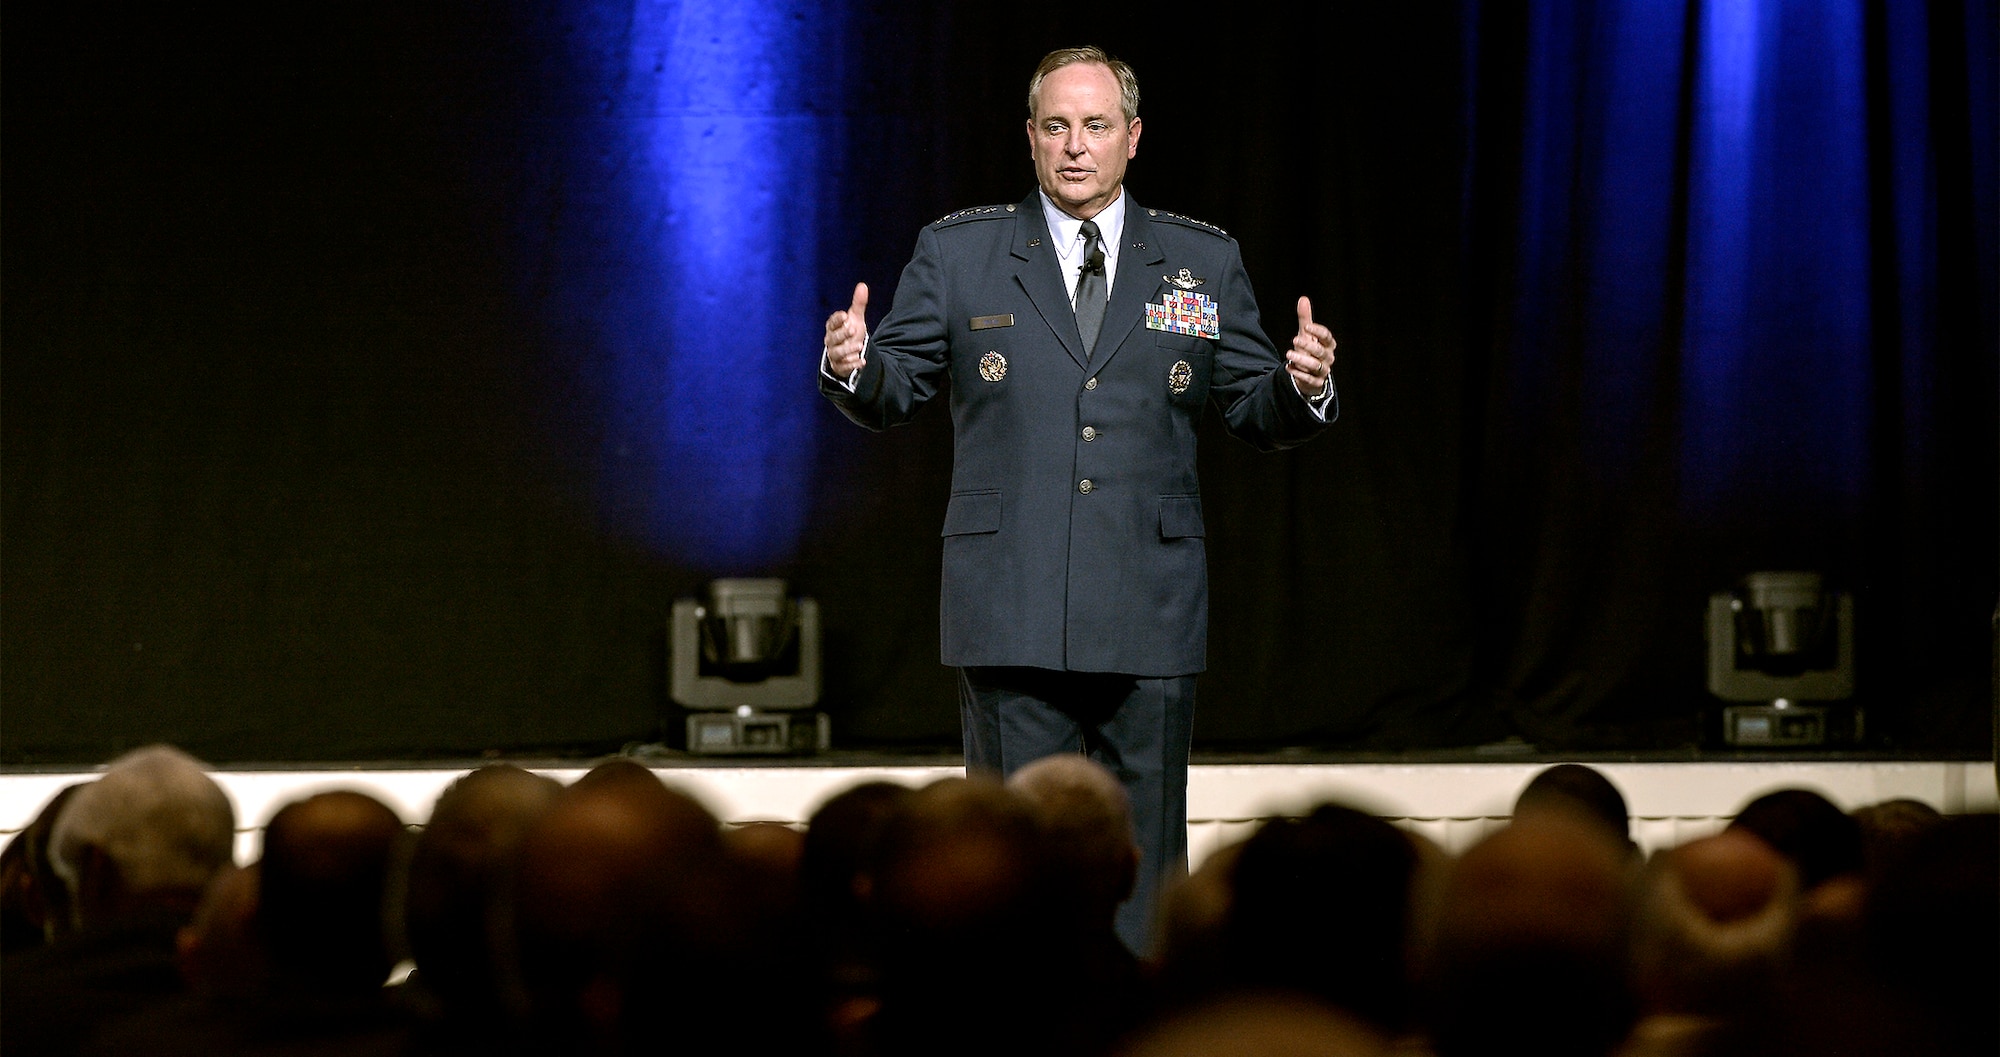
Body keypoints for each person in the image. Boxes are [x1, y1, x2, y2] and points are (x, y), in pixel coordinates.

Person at [820, 44, 1339, 954]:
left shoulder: (1201, 262)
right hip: (1010, 600)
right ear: (1028, 137)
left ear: (1132, 138)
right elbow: (894, 383)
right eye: (1056, 125)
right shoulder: (959, 251)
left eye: (1096, 126)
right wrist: (852, 365)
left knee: (1143, 855)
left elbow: (1256, 408)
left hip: (1149, 605)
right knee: (1008, 858)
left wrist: (1302, 388)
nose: (1075, 146)